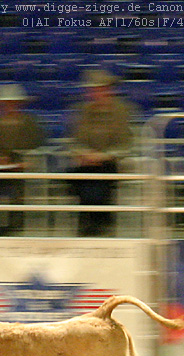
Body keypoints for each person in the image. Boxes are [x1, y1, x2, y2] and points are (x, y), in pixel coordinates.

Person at [67, 68, 136, 237]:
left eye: (100, 88)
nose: (96, 92)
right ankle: (95, 221)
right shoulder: (82, 110)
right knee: (77, 179)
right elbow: (74, 140)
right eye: (93, 89)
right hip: (86, 163)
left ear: (109, 89)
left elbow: (126, 143)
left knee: (99, 181)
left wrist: (104, 156)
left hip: (112, 163)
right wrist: (83, 153)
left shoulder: (122, 111)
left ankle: (94, 222)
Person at [0, 83, 46, 235]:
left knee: (17, 182)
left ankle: (15, 223)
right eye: (4, 103)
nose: (7, 106)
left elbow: (36, 145)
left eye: (11, 103)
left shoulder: (30, 122)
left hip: (23, 164)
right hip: (1, 166)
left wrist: (20, 161)